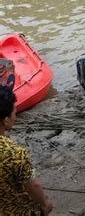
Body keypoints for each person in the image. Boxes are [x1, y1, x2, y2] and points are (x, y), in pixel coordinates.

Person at [0, 87, 54, 215]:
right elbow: (33, 185)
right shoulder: (13, 153)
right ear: (5, 120)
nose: (15, 116)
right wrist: (45, 203)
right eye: (14, 112)